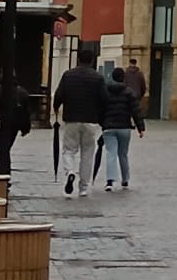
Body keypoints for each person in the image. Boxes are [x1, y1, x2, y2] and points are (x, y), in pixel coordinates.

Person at [51, 46, 107, 197]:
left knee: (69, 150)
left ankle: (70, 171)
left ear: (78, 59)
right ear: (92, 61)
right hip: (91, 120)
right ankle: (83, 187)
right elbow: (104, 99)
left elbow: (59, 94)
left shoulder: (68, 75)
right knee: (87, 153)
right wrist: (101, 117)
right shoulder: (98, 77)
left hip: (71, 118)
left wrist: (56, 108)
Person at [100, 66, 145, 190]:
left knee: (111, 153)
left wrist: (102, 123)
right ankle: (125, 180)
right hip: (124, 127)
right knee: (123, 154)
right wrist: (140, 128)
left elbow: (100, 109)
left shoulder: (105, 91)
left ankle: (110, 181)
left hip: (109, 127)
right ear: (123, 78)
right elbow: (136, 110)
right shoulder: (129, 92)